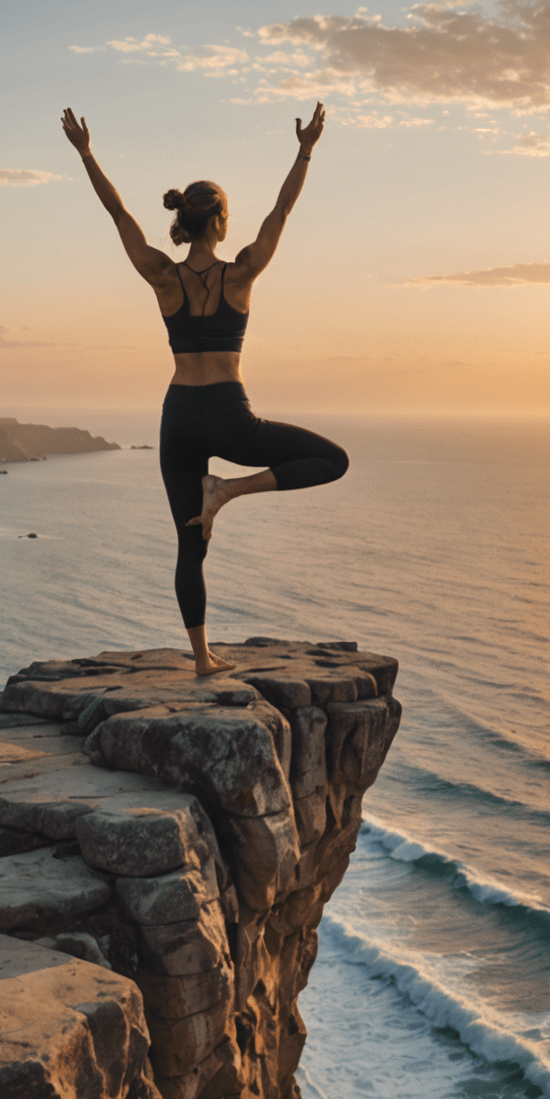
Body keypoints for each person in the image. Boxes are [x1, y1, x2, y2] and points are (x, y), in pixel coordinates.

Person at [60, 102, 348, 676]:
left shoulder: (162, 276)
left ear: (183, 223)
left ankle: (201, 659)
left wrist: (87, 153)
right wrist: (306, 148)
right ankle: (230, 492)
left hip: (177, 416)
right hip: (227, 413)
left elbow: (117, 213)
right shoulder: (238, 274)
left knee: (189, 545)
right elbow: (283, 210)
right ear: (219, 222)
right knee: (332, 459)